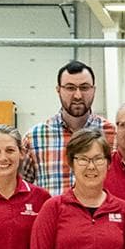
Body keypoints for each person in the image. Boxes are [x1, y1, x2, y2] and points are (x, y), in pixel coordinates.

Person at [21, 60, 116, 194]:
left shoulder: (112, 135)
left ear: (94, 90)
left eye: (84, 88)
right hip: (52, 215)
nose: (78, 95)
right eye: (70, 88)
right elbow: (20, 190)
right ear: (58, 90)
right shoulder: (35, 138)